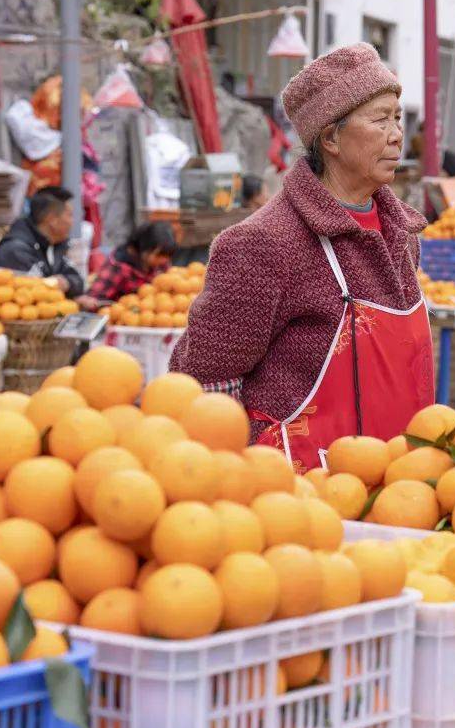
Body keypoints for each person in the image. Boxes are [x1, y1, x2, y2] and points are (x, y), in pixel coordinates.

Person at [170, 42, 432, 467]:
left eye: (398, 117)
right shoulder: (265, 244)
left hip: (398, 479)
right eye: (380, 119)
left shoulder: (400, 233)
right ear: (330, 137)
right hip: (299, 490)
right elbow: (206, 384)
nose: (397, 134)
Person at [0, 186, 84, 297]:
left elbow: (78, 280)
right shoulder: (16, 250)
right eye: (69, 215)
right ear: (52, 220)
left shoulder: (55, 246)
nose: (72, 222)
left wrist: (67, 283)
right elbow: (34, 295)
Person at [84, 222, 178, 305]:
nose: (164, 260)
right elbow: (93, 299)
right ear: (144, 246)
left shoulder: (160, 264)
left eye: (168, 256)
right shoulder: (118, 266)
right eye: (159, 255)